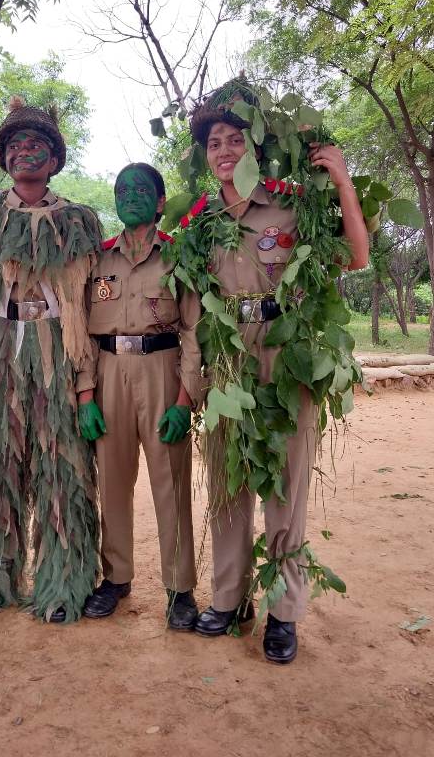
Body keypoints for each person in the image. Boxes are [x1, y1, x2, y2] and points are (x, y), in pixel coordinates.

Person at [188, 82, 369, 662]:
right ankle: (228, 598)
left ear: (257, 146)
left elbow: (357, 256)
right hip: (227, 356)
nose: (224, 150)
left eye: (235, 139)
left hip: (286, 352)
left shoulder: (293, 206)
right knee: (229, 480)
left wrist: (342, 181)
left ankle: (284, 613)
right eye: (215, 142)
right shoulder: (200, 224)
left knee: (285, 486)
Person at [0, 96, 102, 622]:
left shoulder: (78, 220)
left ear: (54, 158)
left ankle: (64, 583)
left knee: (62, 467)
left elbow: (92, 298)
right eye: (14, 145)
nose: (23, 151)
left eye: (35, 144)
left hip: (58, 350)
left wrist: (85, 378)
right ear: (4, 158)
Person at [76, 163, 203, 630]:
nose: (130, 196)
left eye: (141, 189)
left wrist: (185, 400)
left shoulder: (177, 255)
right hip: (108, 372)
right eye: (122, 189)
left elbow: (194, 330)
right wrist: (85, 395)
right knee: (112, 482)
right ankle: (116, 578)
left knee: (170, 483)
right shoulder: (97, 260)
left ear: (159, 201)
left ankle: (180, 588)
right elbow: (81, 332)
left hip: (161, 371)